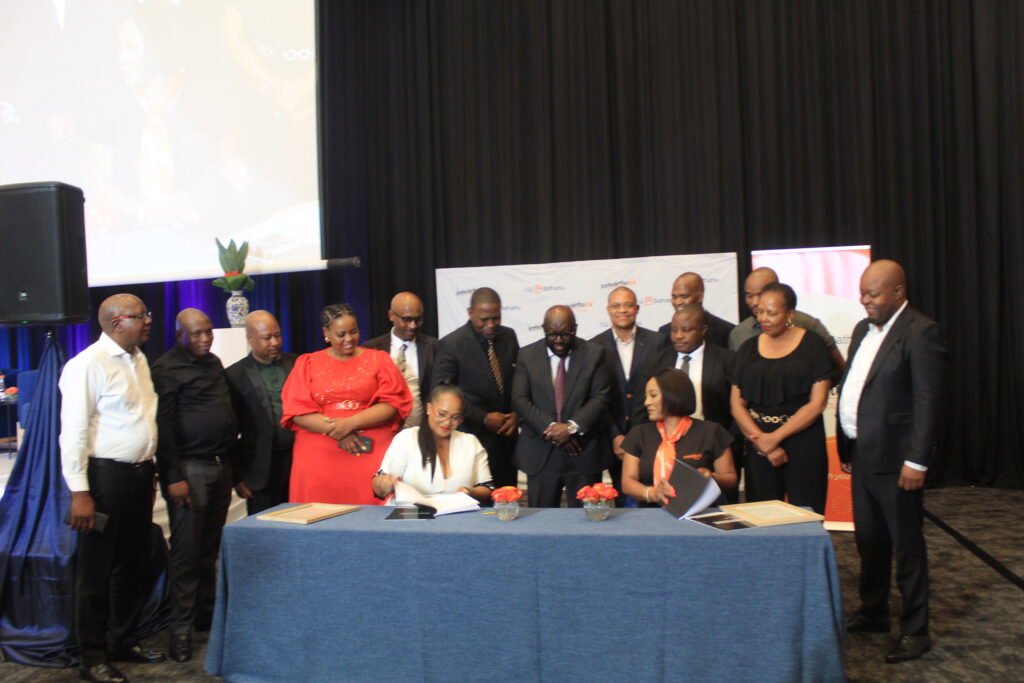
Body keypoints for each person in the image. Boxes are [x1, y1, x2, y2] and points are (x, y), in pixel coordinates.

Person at [837, 260, 946, 663]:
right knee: (870, 542)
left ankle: (916, 631)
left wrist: (917, 461)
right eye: (863, 292)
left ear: (899, 292)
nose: (864, 300)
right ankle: (874, 611)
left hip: (898, 462)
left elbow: (927, 401)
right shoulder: (864, 329)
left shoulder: (921, 332)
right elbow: (856, 386)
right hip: (863, 455)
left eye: (873, 293)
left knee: (907, 547)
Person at [59, 294, 165, 683]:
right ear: (117, 322)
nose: (149, 321)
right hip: (103, 480)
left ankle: (123, 639)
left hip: (138, 476)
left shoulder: (137, 359)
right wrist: (80, 493)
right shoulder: (87, 364)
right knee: (96, 571)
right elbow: (72, 433)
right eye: (142, 315)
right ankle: (93, 656)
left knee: (133, 563)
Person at [151, 308, 237, 662]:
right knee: (186, 553)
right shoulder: (165, 368)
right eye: (196, 334)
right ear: (179, 335)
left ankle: (206, 619)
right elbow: (164, 428)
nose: (204, 339)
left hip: (220, 466)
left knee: (208, 550)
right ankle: (180, 630)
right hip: (189, 469)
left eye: (207, 332)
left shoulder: (214, 362)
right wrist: (173, 477)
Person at [281, 303, 412, 505]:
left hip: (370, 447)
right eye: (341, 334)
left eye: (354, 332)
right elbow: (296, 410)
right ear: (326, 333)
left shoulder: (379, 359)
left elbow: (393, 402)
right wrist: (337, 431)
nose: (349, 339)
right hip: (320, 451)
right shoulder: (307, 362)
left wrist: (350, 424)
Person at [730, 283, 832, 513]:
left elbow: (817, 403)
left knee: (806, 516)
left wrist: (775, 438)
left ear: (790, 314)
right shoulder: (747, 349)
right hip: (758, 443)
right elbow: (736, 405)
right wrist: (763, 443)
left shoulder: (813, 344)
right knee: (761, 518)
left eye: (772, 313)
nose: (764, 318)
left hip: (803, 441)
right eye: (761, 311)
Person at [511, 306, 611, 508]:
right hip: (541, 453)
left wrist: (571, 428)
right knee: (542, 523)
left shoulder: (594, 354)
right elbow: (519, 399)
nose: (558, 340)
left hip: (583, 451)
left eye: (565, 334)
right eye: (552, 334)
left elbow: (600, 397)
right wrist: (553, 430)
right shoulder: (527, 355)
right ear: (543, 329)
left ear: (575, 328)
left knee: (587, 521)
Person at [433, 287, 520, 488]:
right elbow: (440, 393)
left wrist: (517, 414)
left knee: (507, 499)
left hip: (507, 438)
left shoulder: (509, 336)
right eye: (484, 319)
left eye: (496, 318)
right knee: (476, 502)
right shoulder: (451, 344)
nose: (491, 324)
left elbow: (518, 381)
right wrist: (483, 417)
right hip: (471, 437)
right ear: (470, 313)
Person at [589, 286, 664, 502]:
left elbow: (659, 394)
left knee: (651, 502)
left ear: (637, 308)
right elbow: (596, 397)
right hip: (611, 438)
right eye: (616, 305)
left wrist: (635, 435)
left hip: (648, 435)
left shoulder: (657, 342)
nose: (622, 310)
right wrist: (615, 435)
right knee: (621, 502)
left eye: (628, 305)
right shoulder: (594, 346)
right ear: (608, 310)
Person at [621, 369, 737, 506]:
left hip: (699, 511)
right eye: (646, 397)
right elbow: (627, 482)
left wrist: (712, 477)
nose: (646, 402)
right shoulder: (639, 433)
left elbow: (731, 479)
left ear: (673, 394)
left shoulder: (712, 432)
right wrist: (652, 493)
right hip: (651, 513)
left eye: (653, 395)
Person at [225, 310, 296, 515]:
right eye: (267, 338)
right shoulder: (234, 375)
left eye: (278, 335)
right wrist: (237, 477)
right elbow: (230, 431)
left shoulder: (298, 364)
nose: (274, 342)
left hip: (297, 462)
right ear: (250, 339)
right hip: (259, 469)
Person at [372, 385, 493, 504]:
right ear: (429, 408)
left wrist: (470, 492)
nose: (447, 422)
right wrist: (384, 483)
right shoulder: (406, 438)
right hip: (412, 514)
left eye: (455, 417)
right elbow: (379, 487)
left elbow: (487, 487)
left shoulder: (470, 442)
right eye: (442, 414)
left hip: (457, 514)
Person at [728, 267, 846, 382]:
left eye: (760, 294)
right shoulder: (739, 334)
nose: (754, 302)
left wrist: (813, 394)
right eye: (749, 295)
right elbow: (736, 382)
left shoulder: (809, 325)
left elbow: (840, 370)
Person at [363, 291, 437, 427]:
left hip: (420, 429)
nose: (413, 326)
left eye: (418, 319)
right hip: (382, 429)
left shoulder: (434, 347)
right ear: (391, 315)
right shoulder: (371, 349)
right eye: (407, 319)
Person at [657, 272, 734, 349]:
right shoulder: (665, 332)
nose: (678, 302)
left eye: (684, 296)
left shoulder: (726, 331)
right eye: (674, 297)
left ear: (700, 297)